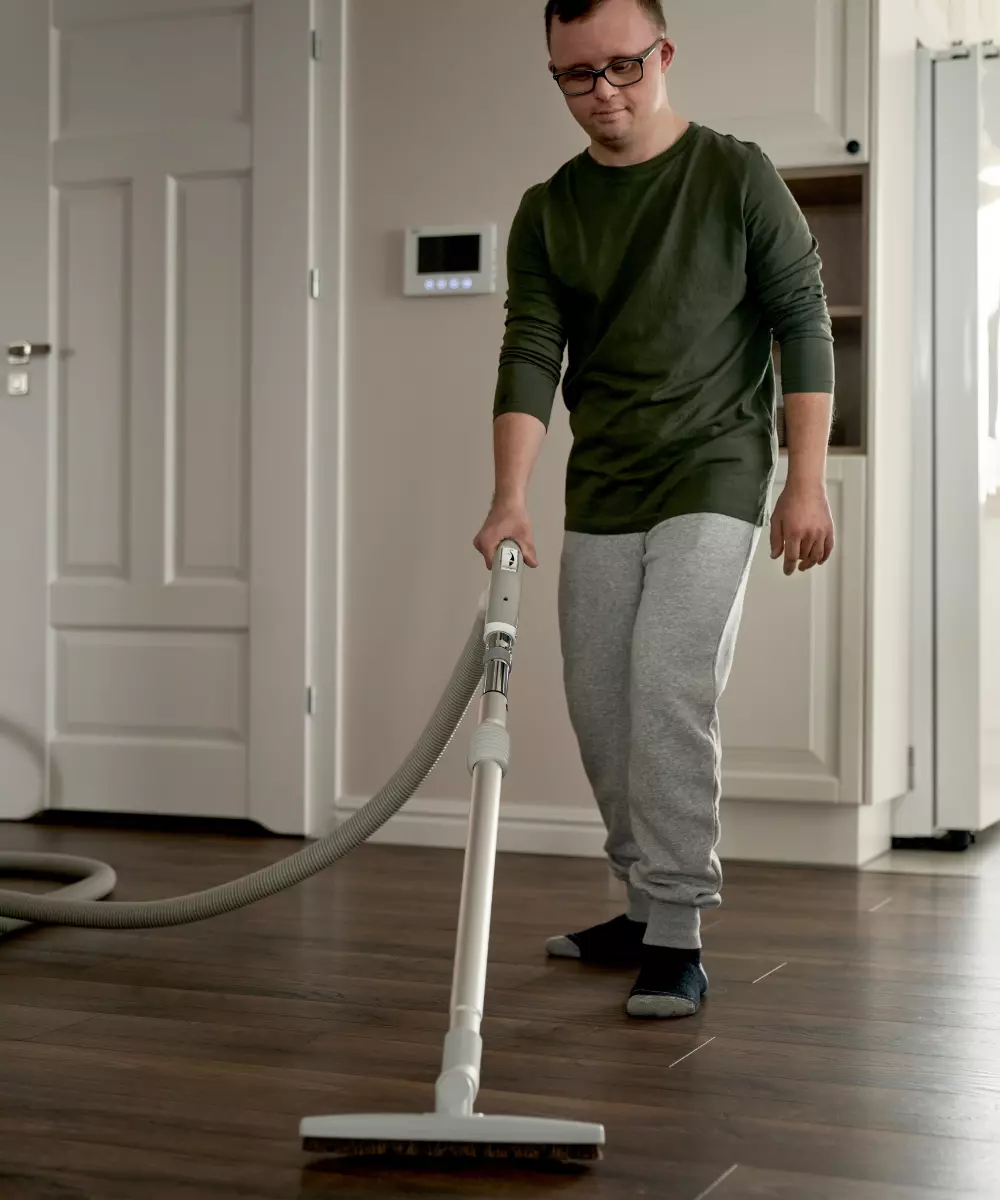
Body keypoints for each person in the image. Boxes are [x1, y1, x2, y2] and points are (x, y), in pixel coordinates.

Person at [473, 0, 835, 1019]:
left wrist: (800, 480)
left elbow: (802, 326)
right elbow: (530, 353)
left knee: (668, 680)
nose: (604, 93)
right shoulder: (550, 209)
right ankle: (639, 903)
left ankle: (676, 931)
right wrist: (509, 494)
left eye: (623, 67)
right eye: (576, 76)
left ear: (663, 54)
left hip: (716, 469)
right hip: (605, 480)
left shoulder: (734, 174)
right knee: (601, 706)